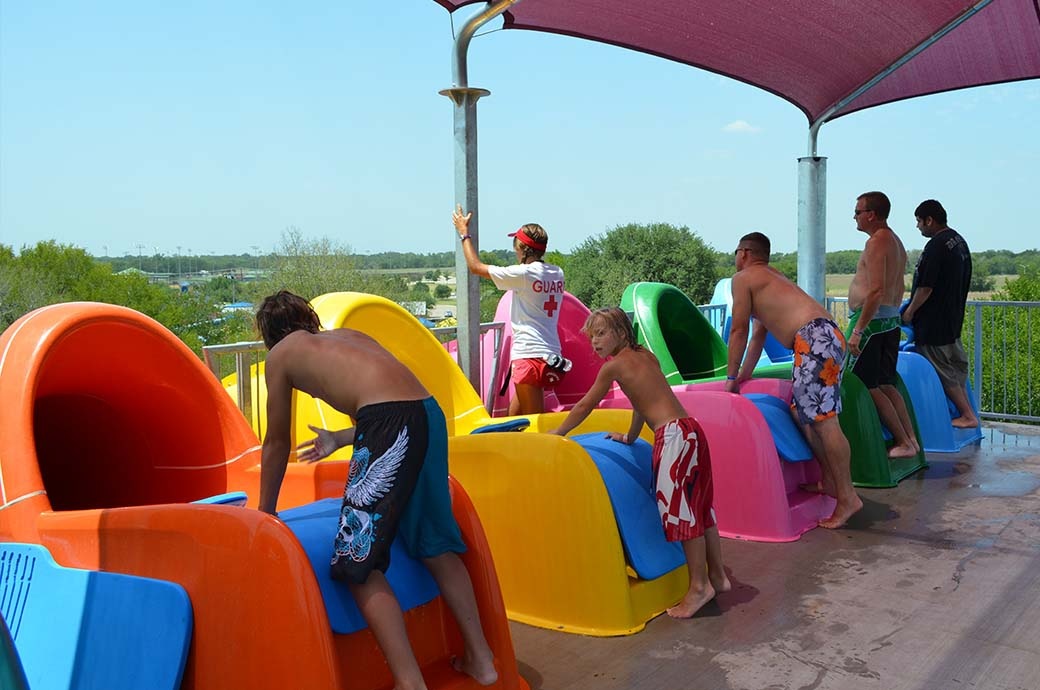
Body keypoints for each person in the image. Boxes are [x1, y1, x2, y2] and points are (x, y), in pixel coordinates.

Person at [255, 290, 498, 690]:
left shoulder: (281, 354)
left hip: (392, 421)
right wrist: (339, 437)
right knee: (435, 543)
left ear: (270, 335)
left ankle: (409, 681)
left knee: (356, 561)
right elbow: (392, 408)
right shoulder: (349, 337)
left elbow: (277, 441)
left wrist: (265, 511)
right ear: (308, 320)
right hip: (428, 414)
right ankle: (482, 661)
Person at [547, 307, 731, 619]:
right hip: (691, 430)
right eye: (591, 337)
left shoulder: (614, 367)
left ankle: (699, 587)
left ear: (621, 332)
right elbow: (641, 401)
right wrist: (632, 437)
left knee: (680, 514)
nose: (595, 342)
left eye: (601, 333)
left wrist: (557, 432)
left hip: (672, 437)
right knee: (700, 507)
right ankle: (717, 576)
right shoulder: (646, 355)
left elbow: (585, 404)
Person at [725, 232, 863, 529]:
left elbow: (737, 331)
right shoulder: (770, 279)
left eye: (736, 252)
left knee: (825, 420)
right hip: (822, 337)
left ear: (745, 253)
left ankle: (848, 497)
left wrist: (729, 378)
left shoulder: (744, 278)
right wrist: (744, 377)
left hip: (814, 340)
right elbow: (757, 336)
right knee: (799, 410)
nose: (735, 258)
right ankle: (828, 479)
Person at [452, 204, 566, 416]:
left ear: (523, 249)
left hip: (528, 355)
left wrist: (464, 234)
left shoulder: (524, 274)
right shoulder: (557, 273)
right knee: (513, 421)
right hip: (550, 355)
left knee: (533, 425)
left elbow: (475, 267)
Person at [846, 191, 920, 459]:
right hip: (889, 321)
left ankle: (902, 440)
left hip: (873, 324)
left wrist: (857, 330)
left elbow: (875, 290)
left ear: (871, 214)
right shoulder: (895, 241)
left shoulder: (878, 242)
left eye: (857, 211)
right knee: (887, 384)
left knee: (867, 384)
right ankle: (910, 441)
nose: (854, 217)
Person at [902, 199, 979, 429]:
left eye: (919, 221)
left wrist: (909, 312)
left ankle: (967, 415)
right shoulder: (958, 241)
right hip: (953, 320)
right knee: (956, 367)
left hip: (934, 324)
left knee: (943, 370)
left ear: (929, 220)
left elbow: (926, 287)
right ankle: (965, 411)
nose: (918, 227)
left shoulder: (936, 246)